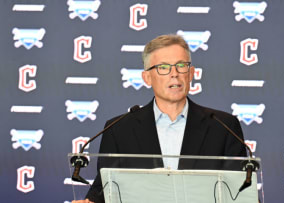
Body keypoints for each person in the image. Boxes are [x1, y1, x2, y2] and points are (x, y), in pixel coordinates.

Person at [72, 34, 247, 203]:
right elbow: (103, 191)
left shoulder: (223, 127)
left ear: (191, 73)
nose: (174, 74)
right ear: (147, 77)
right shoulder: (119, 130)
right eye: (163, 67)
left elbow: (241, 193)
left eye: (181, 65)